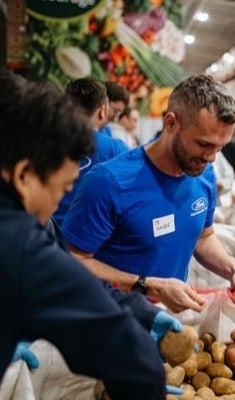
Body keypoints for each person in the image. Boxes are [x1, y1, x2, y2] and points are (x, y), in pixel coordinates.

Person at [0, 72, 181, 399]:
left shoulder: (35, 226)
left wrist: (139, 311)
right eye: (63, 188)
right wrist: (143, 372)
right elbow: (124, 354)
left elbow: (64, 265)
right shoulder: (16, 240)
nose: (60, 202)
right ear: (24, 174)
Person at [61, 74, 235, 314]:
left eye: (220, 147)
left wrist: (232, 269)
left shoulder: (203, 176)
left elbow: (203, 237)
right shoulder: (109, 182)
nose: (211, 157)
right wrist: (147, 286)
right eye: (204, 144)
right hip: (111, 323)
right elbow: (71, 262)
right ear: (171, 123)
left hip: (171, 326)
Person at [53, 78, 129, 226]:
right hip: (91, 238)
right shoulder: (116, 149)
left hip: (44, 232)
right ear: (102, 111)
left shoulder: (43, 140)